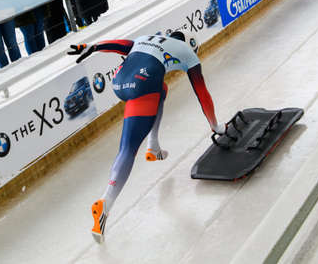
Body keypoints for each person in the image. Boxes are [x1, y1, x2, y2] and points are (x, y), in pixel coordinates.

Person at [67, 31, 223, 242]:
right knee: (128, 150)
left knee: (161, 88)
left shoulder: (147, 38)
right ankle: (105, 204)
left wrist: (92, 46)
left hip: (120, 82)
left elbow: (120, 44)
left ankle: (154, 146)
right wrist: (215, 125)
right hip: (142, 83)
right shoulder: (187, 52)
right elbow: (202, 93)